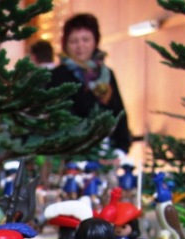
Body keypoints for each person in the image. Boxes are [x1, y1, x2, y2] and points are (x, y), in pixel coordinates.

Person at [49, 13, 131, 156]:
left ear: (95, 41)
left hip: (107, 151)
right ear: (65, 44)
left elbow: (119, 112)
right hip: (71, 153)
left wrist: (120, 149)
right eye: (74, 41)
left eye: (85, 40)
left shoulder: (107, 74)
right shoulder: (56, 76)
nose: (80, 46)